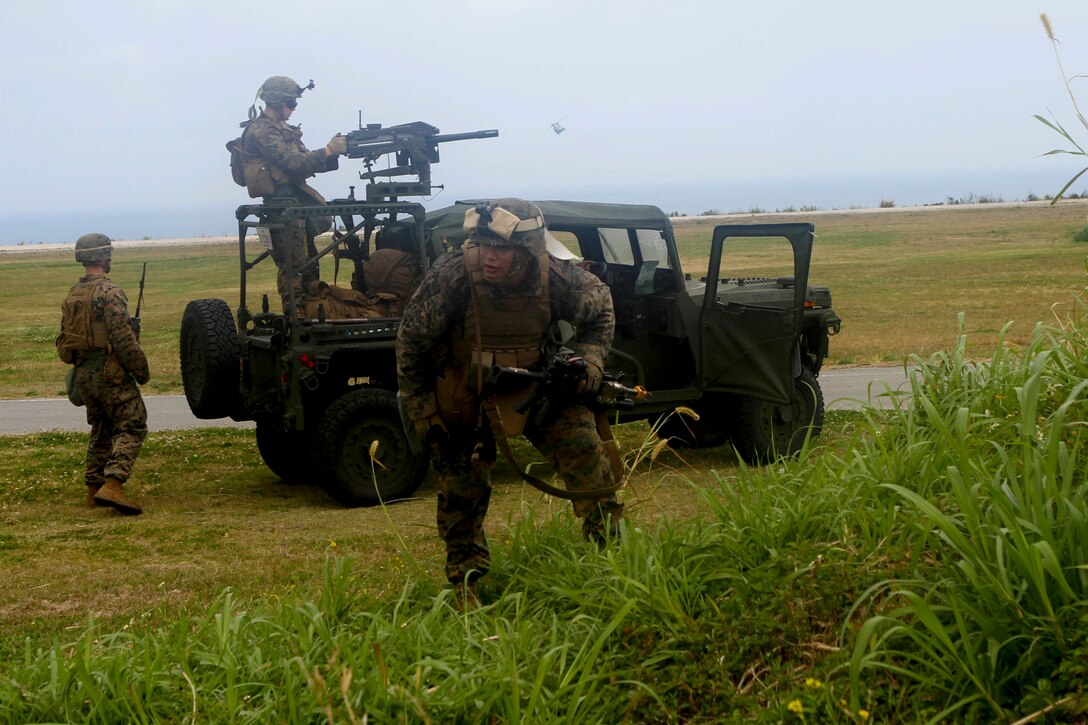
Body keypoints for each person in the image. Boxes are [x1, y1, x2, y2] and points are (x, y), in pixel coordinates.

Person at [396, 198, 624, 604]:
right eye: (483, 246)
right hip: (465, 393)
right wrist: (422, 409)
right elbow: (411, 339)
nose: (490, 257)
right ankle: (468, 584)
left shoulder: (554, 275)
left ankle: (615, 562)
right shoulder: (452, 275)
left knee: (587, 452)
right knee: (461, 485)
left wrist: (588, 361)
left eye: (501, 248)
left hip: (533, 386)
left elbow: (601, 311)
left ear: (528, 249)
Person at [55, 234, 149, 515]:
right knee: (133, 423)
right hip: (109, 373)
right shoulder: (110, 292)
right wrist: (140, 368)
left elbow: (64, 339)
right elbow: (123, 339)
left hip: (84, 373)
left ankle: (93, 491)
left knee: (101, 429)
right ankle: (114, 483)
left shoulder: (73, 294)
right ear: (105, 257)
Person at [238, 75, 347, 312]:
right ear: (277, 102)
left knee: (310, 264)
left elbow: (306, 161)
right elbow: (293, 163)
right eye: (291, 104)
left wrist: (336, 153)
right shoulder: (260, 130)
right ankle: (295, 316)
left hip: (296, 203)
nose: (294, 109)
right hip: (280, 208)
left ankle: (313, 310)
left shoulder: (284, 130)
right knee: (293, 265)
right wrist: (328, 150)